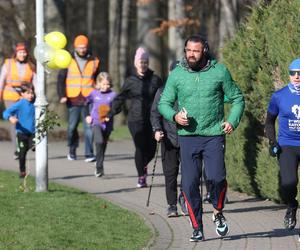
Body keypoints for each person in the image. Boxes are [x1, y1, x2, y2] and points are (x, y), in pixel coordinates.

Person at [158, 34, 245, 242]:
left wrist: (232, 120)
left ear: (204, 50)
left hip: (214, 135)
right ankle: (197, 227)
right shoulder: (177, 74)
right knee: (189, 184)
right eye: (188, 50)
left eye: (195, 51)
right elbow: (164, 103)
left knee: (216, 178)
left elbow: (237, 98)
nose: (191, 55)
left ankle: (217, 211)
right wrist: (175, 116)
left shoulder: (219, 71)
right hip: (187, 138)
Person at [107, 47, 163, 188]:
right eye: (140, 62)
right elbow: (120, 98)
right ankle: (141, 176)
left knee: (151, 149)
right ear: (135, 63)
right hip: (135, 119)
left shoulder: (155, 80)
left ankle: (142, 165)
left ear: (147, 63)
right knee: (139, 147)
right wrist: (111, 112)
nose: (143, 65)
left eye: (145, 62)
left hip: (152, 119)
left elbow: (164, 97)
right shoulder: (130, 80)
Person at [265, 58, 300, 231]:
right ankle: (292, 206)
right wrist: (273, 142)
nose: (296, 77)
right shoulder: (279, 96)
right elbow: (270, 121)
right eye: (293, 73)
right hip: (288, 145)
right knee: (288, 183)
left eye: (299, 73)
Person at [150, 60, 189, 217]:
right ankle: (171, 205)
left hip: (187, 138)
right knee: (170, 174)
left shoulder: (190, 90)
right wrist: (157, 130)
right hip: (168, 138)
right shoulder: (162, 91)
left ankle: (184, 199)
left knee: (189, 174)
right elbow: (155, 113)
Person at [57, 35, 100, 162]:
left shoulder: (95, 60)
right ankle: (72, 149)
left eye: (84, 47)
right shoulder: (67, 60)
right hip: (73, 98)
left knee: (89, 126)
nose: (82, 50)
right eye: (80, 47)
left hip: (89, 98)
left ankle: (89, 153)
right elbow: (61, 79)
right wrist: (62, 95)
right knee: (72, 127)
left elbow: (98, 78)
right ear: (75, 47)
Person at [0, 43, 36, 159]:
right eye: (20, 52)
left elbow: (35, 81)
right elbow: (2, 79)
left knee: (26, 119)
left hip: (24, 96)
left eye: (24, 52)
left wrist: (37, 96)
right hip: (10, 95)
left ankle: (29, 142)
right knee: (14, 120)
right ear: (16, 53)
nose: (22, 54)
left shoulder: (31, 65)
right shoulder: (8, 63)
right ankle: (18, 148)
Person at [85, 72, 116, 177]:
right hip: (96, 122)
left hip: (108, 124)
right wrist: (87, 115)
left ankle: (99, 163)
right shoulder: (94, 94)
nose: (105, 87)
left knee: (103, 145)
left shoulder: (113, 95)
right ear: (98, 84)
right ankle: (99, 167)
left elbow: (117, 108)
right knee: (99, 141)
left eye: (107, 84)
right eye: (103, 84)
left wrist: (111, 114)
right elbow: (86, 103)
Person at [3, 83, 35, 178]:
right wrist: (10, 118)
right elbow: (6, 112)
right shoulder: (20, 104)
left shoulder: (36, 103)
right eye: (28, 93)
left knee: (34, 145)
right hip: (21, 133)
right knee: (22, 154)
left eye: (32, 93)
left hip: (33, 132)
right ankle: (22, 171)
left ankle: (33, 145)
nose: (31, 95)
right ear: (22, 94)